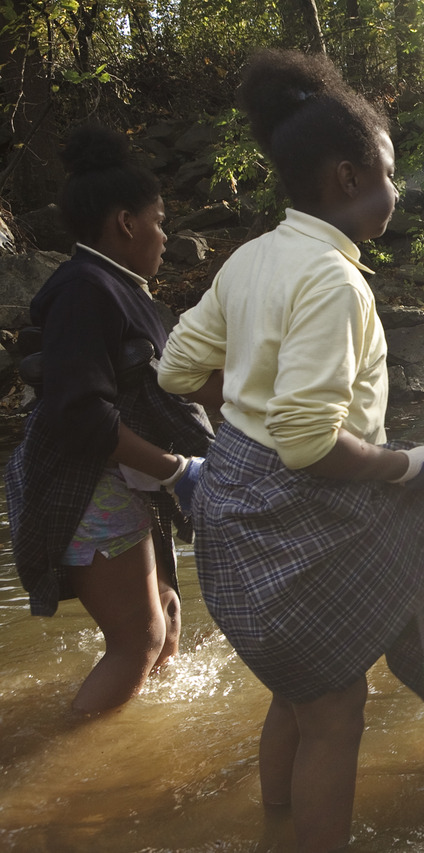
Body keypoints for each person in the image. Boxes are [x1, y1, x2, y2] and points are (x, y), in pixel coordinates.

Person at [156, 50, 424, 853]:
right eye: (390, 173)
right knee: (334, 711)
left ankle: (274, 829)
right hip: (296, 514)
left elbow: (176, 367)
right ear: (347, 176)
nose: (398, 190)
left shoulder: (250, 258)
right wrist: (405, 464)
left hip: (233, 503)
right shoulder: (333, 279)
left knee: (296, 693)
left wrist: (244, 410)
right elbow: (311, 442)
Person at [3, 126, 213, 716]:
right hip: (86, 480)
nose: (166, 236)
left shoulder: (116, 288)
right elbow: (81, 414)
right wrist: (176, 471)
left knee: (166, 618)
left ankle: (134, 743)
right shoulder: (84, 290)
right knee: (139, 639)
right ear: (126, 222)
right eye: (160, 219)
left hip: (126, 479)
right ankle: (64, 779)